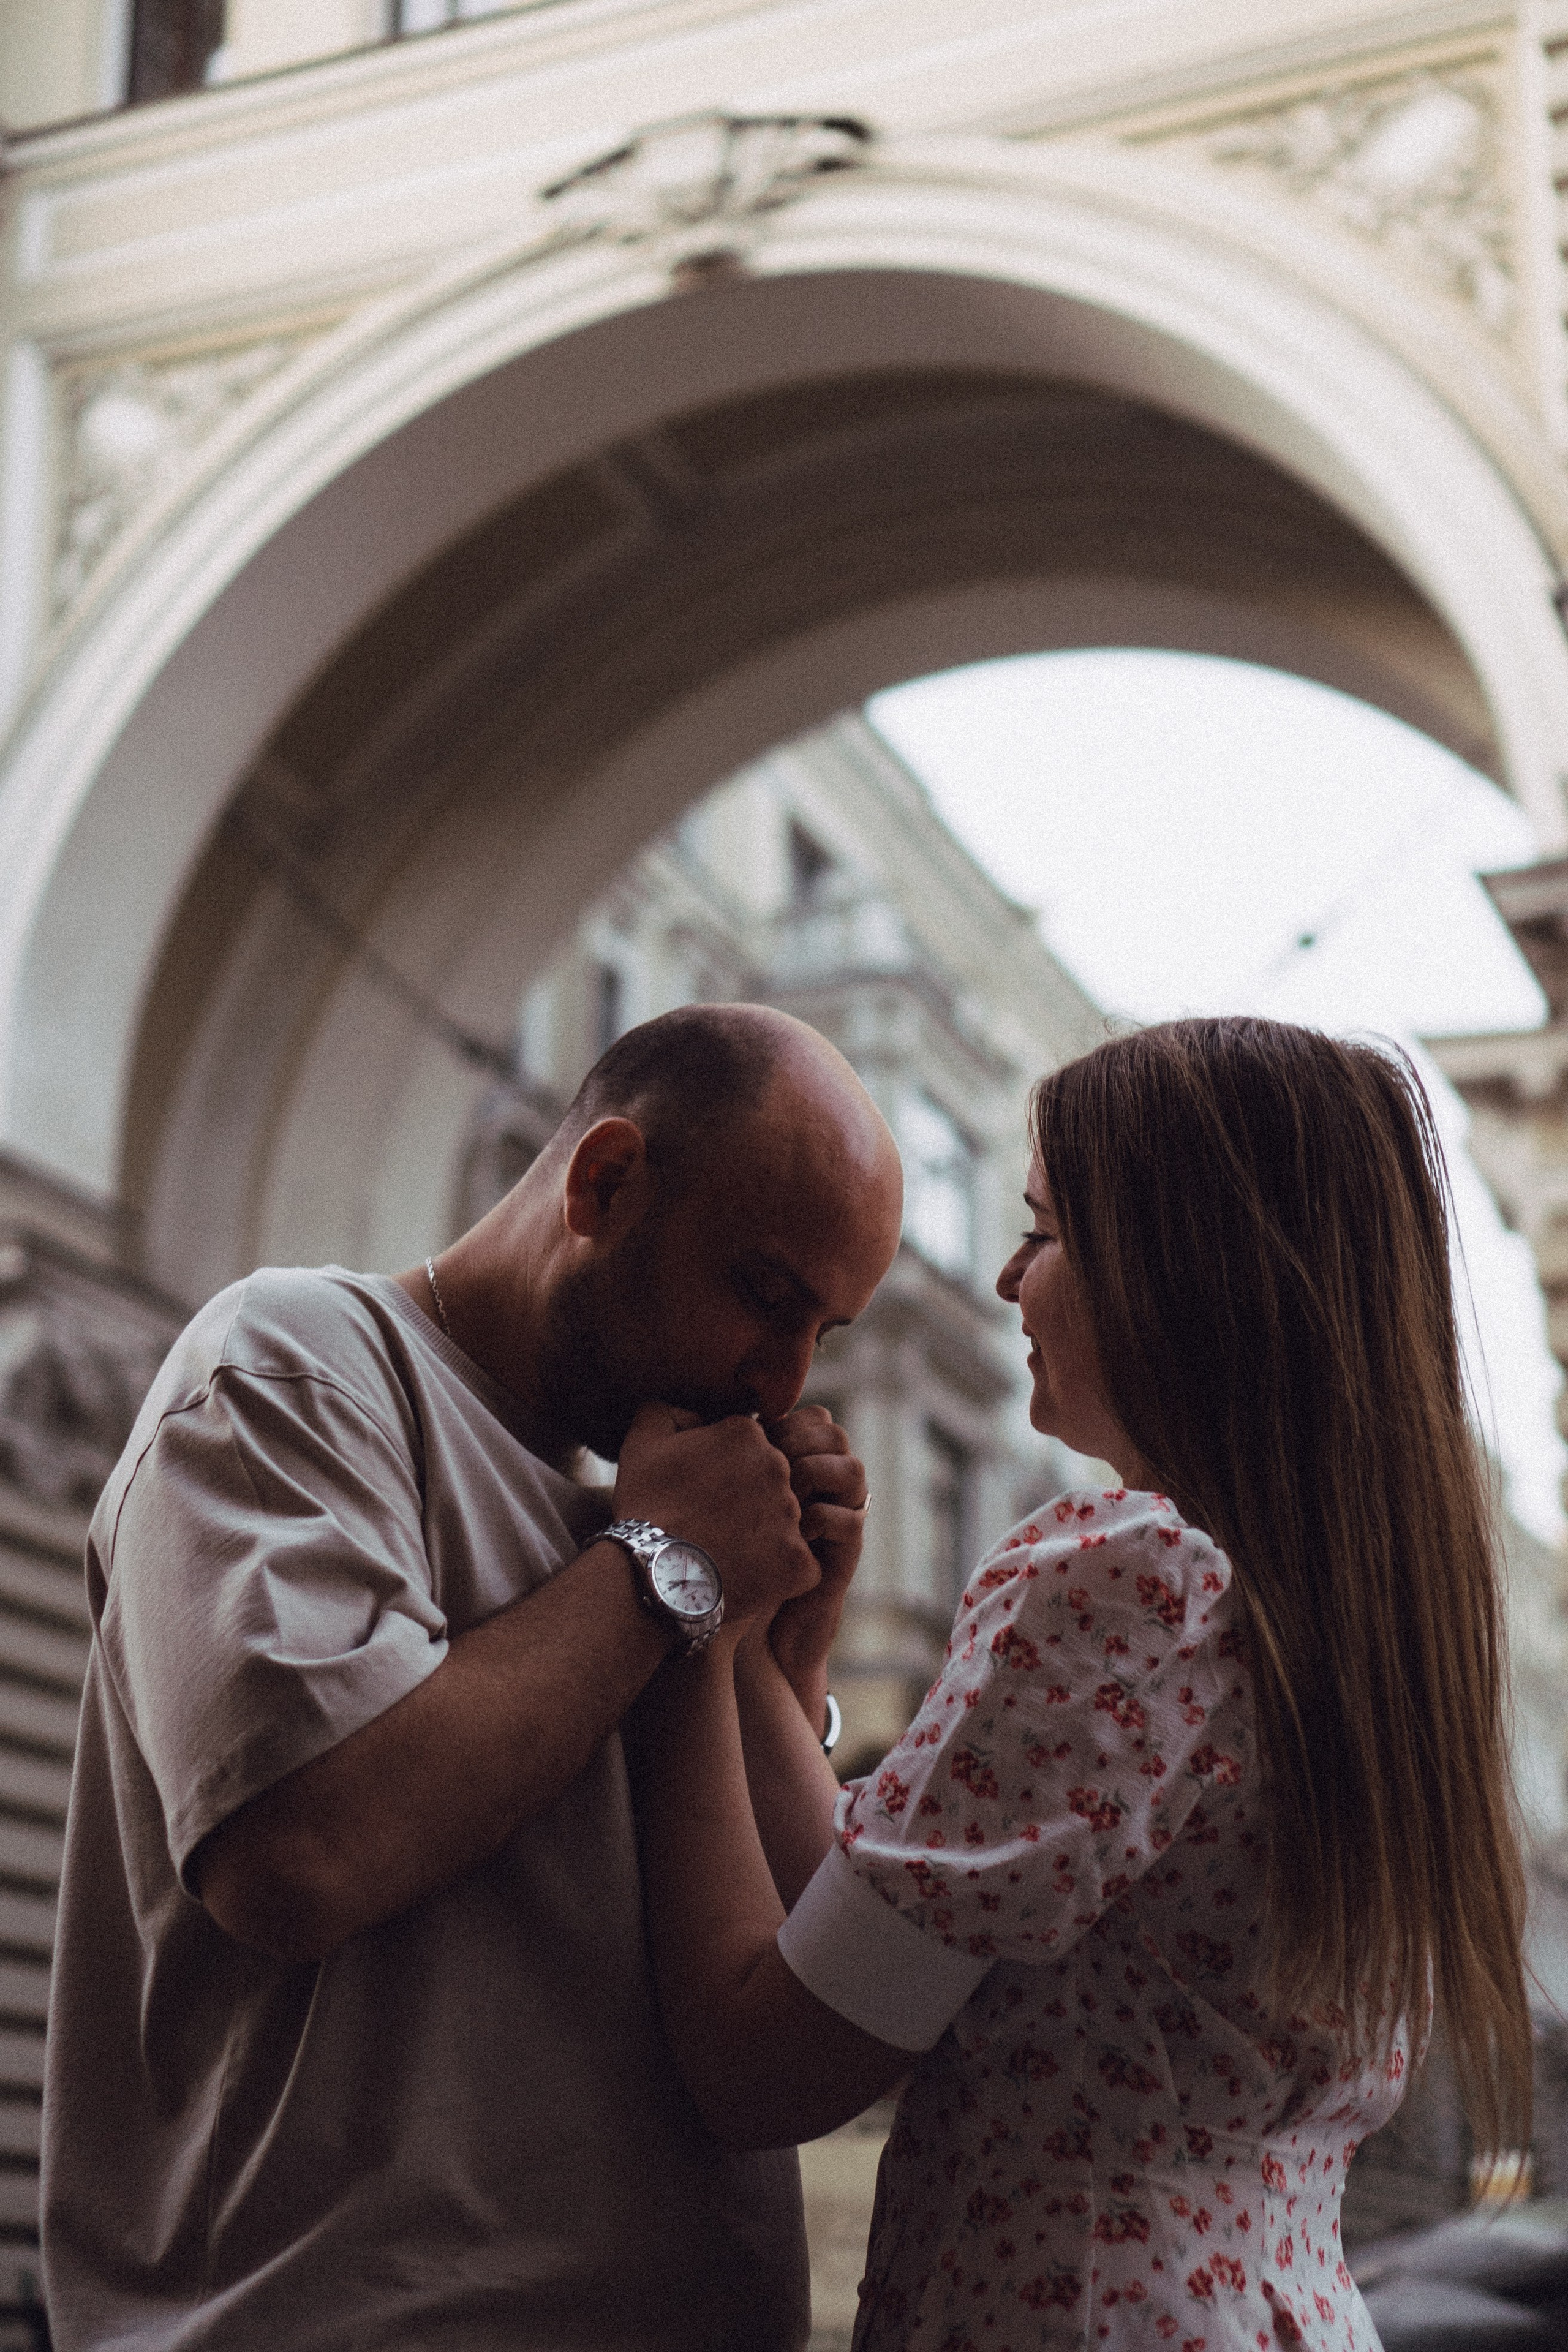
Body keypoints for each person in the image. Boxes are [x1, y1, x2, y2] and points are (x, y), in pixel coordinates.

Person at [636, 1015, 1533, 2351]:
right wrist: (780, 1660)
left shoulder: (1129, 1576)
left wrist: (676, 1593)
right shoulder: (1345, 1630)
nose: (1003, 1278)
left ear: (1183, 1268)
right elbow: (883, 1936)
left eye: (1043, 1231)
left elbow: (757, 2067)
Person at [40, 1003, 904, 2351]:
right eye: (764, 1296)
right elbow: (303, 1852)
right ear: (603, 1184)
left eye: (824, 1333)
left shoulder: (650, 1501)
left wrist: (781, 1651)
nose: (784, 1376)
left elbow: (796, 2014)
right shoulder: (297, 1363)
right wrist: (666, 1565)